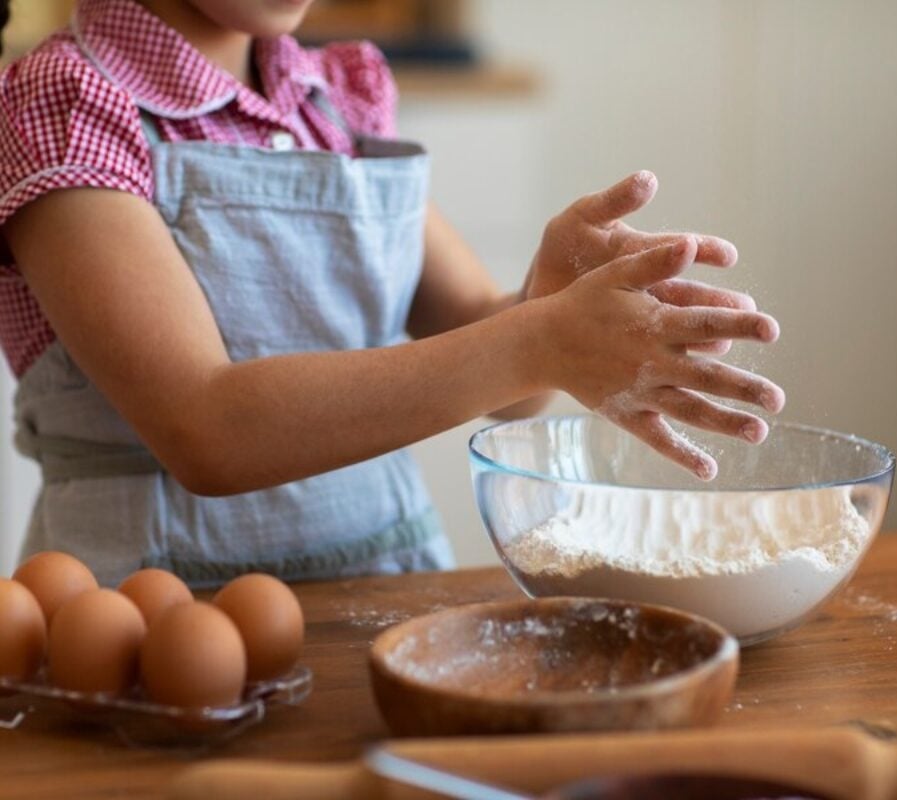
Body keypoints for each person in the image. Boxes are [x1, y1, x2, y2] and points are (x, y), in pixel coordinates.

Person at [0, 0, 785, 588]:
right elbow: (207, 429)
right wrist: (538, 338)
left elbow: (506, 385)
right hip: (148, 615)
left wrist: (541, 305)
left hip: (382, 585)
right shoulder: (65, 104)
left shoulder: (331, 101)